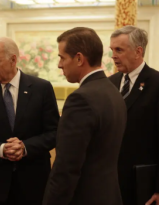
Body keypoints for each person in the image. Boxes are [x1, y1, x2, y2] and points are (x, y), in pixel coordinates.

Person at [42, 27, 127, 205]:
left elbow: (66, 168)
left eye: (62, 57)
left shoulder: (81, 99)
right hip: (109, 195)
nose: (59, 64)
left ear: (79, 59)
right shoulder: (112, 90)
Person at [0, 37, 59, 205]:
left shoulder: (42, 88)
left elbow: (54, 132)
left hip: (34, 179)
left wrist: (25, 147)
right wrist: (3, 149)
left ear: (13, 60)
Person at [108, 25, 159, 205]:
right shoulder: (110, 83)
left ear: (138, 51)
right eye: (112, 50)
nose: (113, 56)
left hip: (142, 183)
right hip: (110, 183)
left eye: (119, 50)